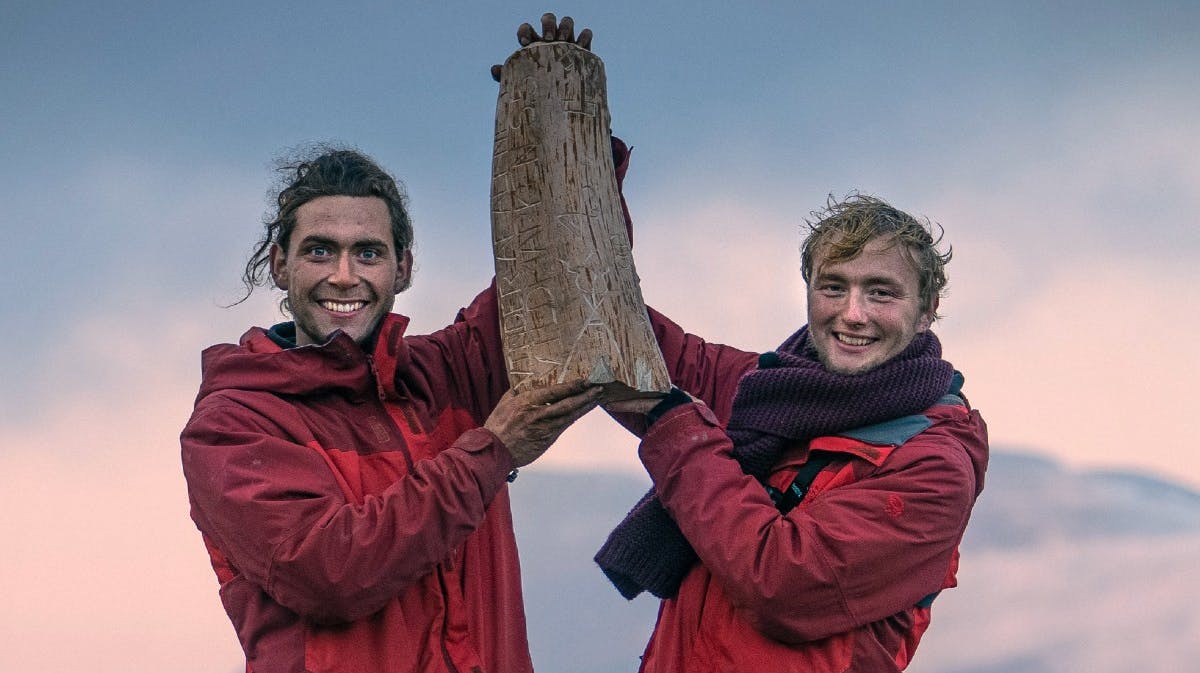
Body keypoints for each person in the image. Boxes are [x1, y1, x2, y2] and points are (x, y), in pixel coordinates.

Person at [179, 143, 604, 673]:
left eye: (368, 253)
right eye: (318, 251)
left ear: (402, 267)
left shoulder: (448, 374)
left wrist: (563, 109)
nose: (342, 275)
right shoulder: (232, 425)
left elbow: (559, 285)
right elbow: (327, 572)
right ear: (279, 265)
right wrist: (490, 454)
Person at [595, 194, 990, 672]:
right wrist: (592, 194)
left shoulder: (935, 467)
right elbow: (628, 340)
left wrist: (680, 433)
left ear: (927, 310)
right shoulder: (771, 393)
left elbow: (781, 584)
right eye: (833, 287)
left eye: (881, 292)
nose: (853, 313)